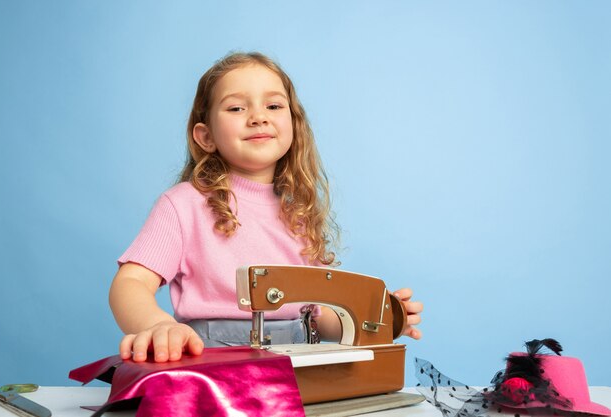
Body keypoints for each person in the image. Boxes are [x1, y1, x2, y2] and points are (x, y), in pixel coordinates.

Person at [109, 52, 423, 363]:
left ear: (294, 126)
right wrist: (159, 326)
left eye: (273, 106)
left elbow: (319, 317)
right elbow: (131, 283)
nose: (259, 116)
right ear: (206, 136)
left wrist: (379, 318)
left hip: (300, 369)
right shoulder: (182, 205)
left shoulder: (299, 214)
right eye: (236, 107)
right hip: (214, 367)